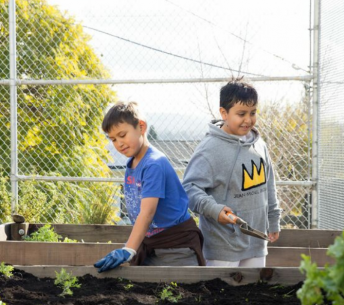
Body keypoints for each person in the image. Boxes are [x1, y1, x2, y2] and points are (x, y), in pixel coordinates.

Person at [94, 101, 205, 272]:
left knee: (180, 293)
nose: (119, 144)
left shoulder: (154, 164)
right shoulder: (132, 164)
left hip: (176, 247)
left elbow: (147, 213)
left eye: (122, 135)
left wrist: (129, 249)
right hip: (151, 245)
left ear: (141, 126)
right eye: (113, 139)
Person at [182, 79, 281, 267]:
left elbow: (269, 186)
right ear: (224, 113)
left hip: (256, 242)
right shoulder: (209, 150)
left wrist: (273, 220)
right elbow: (189, 189)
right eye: (241, 113)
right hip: (222, 246)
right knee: (222, 295)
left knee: (252, 293)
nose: (248, 120)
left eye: (253, 113)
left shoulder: (259, 145)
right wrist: (214, 209)